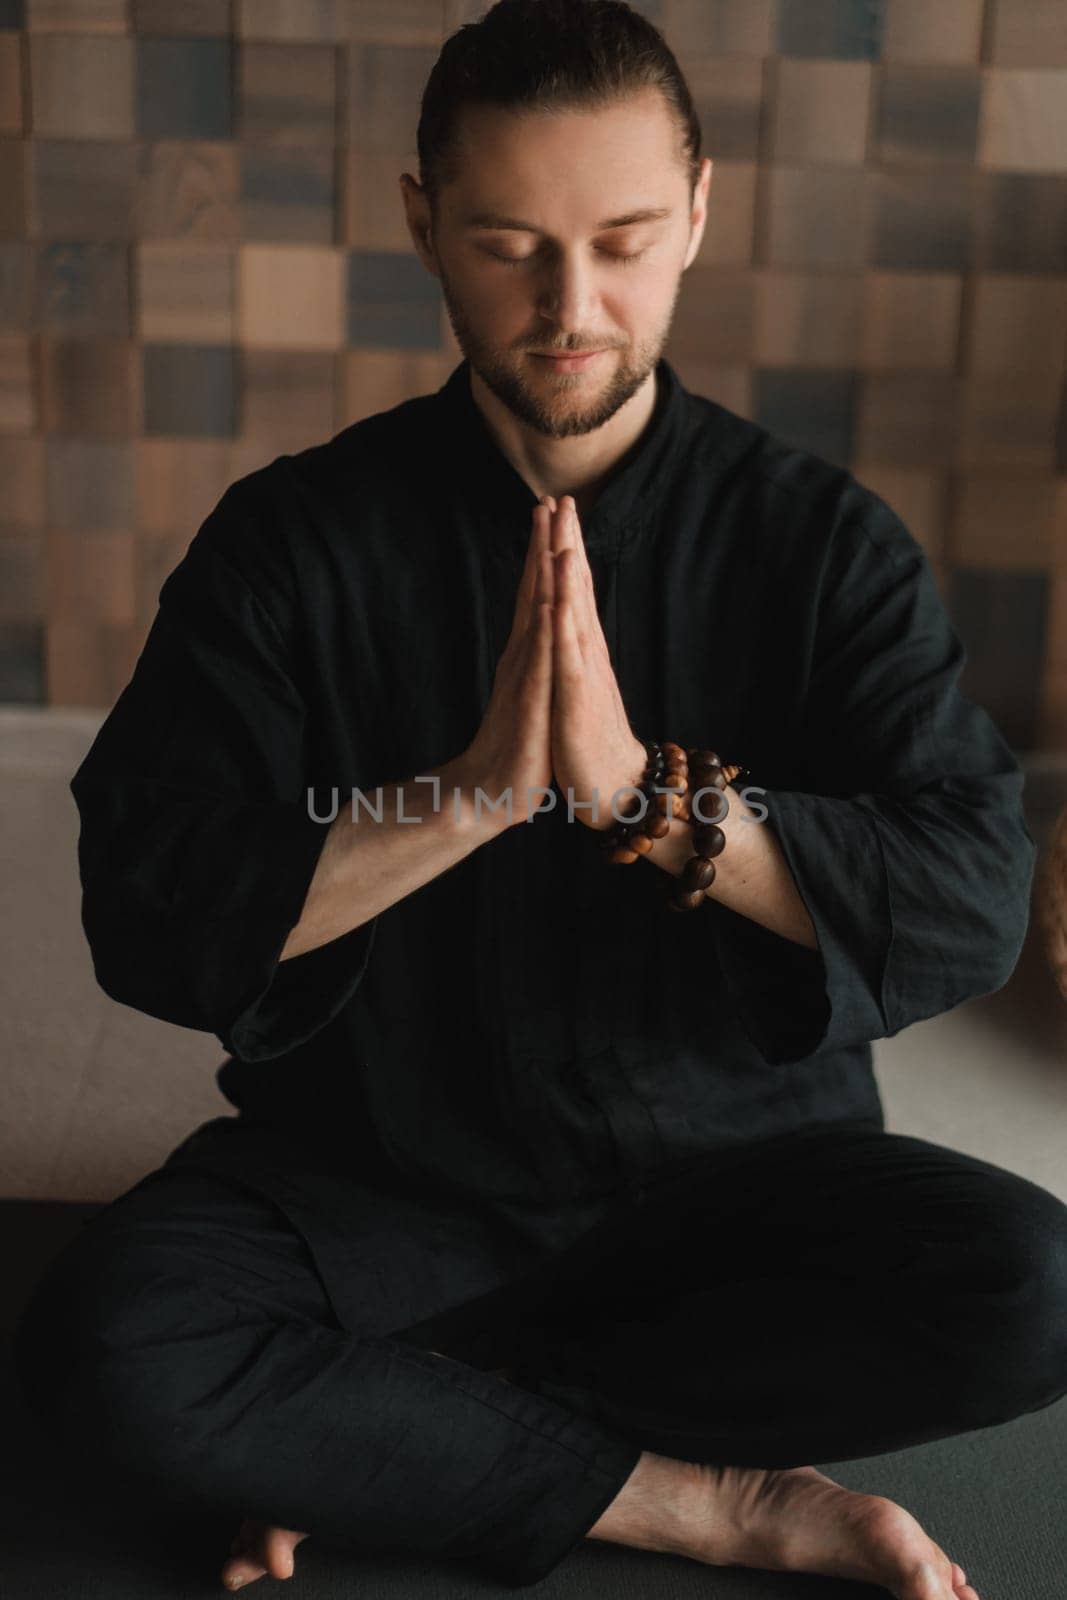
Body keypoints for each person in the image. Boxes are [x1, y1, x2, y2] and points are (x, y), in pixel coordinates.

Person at [13, 4, 1066, 1599]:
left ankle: (408, 1433)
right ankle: (706, 1500)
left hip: (733, 1191)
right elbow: (146, 903)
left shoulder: (820, 547)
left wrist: (650, 805)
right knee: (114, 1349)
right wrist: (468, 795)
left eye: (626, 242)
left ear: (701, 211)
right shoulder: (291, 544)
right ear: (421, 218)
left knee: (1036, 1288)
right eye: (509, 246)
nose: (572, 308)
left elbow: (974, 890)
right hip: (379, 1180)